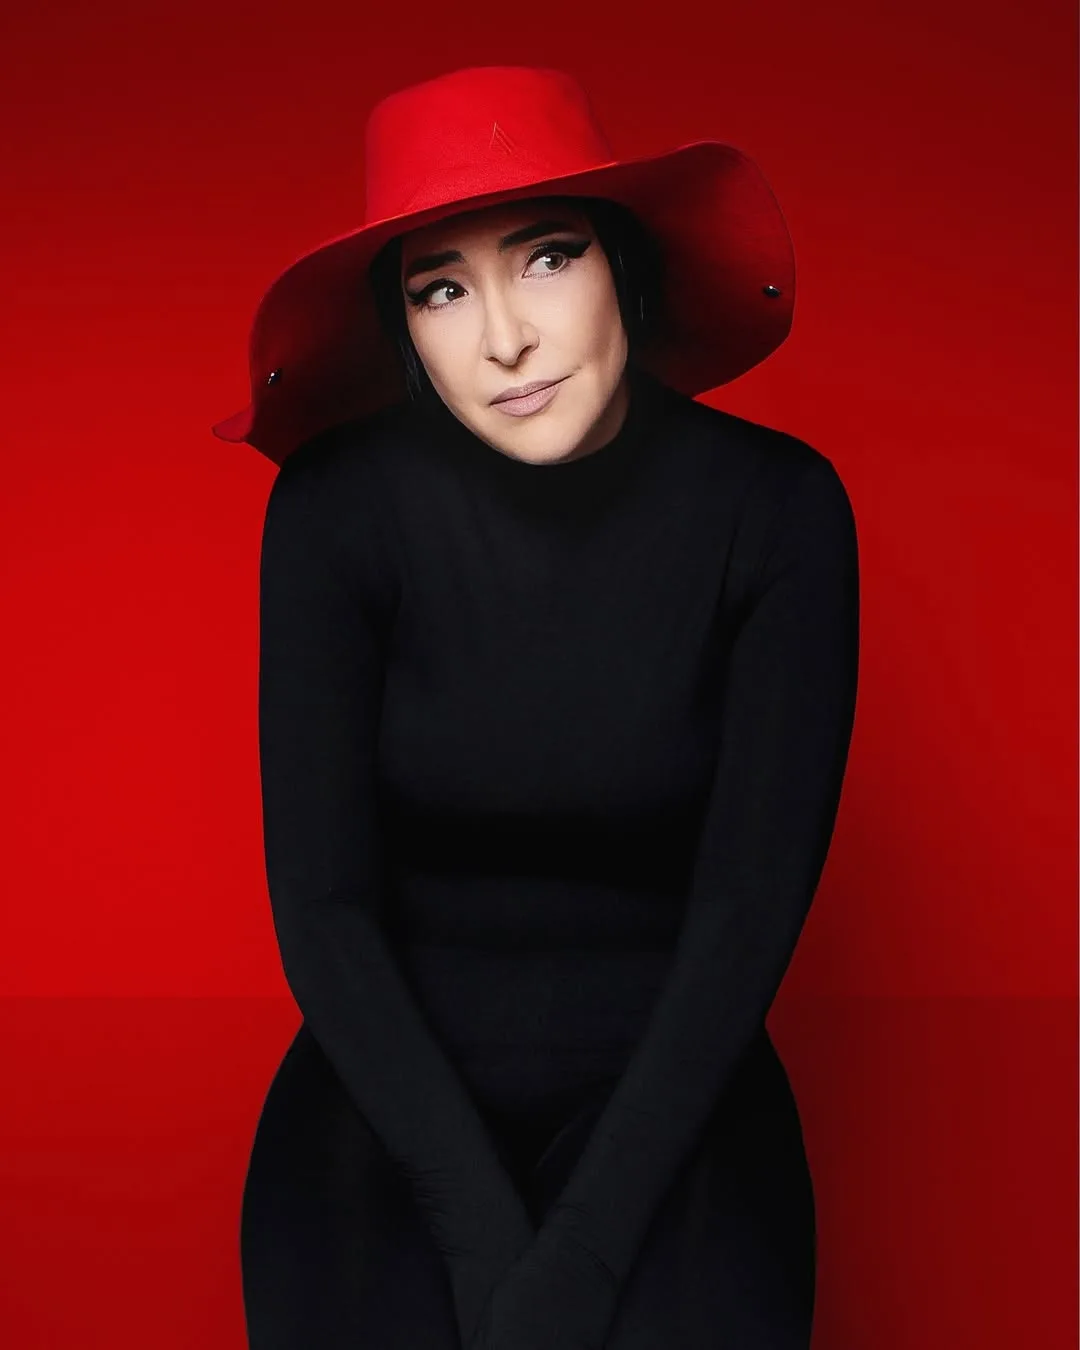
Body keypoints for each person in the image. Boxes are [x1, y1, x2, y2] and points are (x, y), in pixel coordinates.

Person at [213, 64, 860, 1350]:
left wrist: (583, 1255)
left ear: (625, 264)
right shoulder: (337, 510)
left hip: (677, 1105)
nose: (503, 337)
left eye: (548, 259)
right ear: (405, 327)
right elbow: (324, 910)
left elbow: (747, 913)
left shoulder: (778, 509)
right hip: (389, 1110)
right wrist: (481, 1239)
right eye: (441, 289)